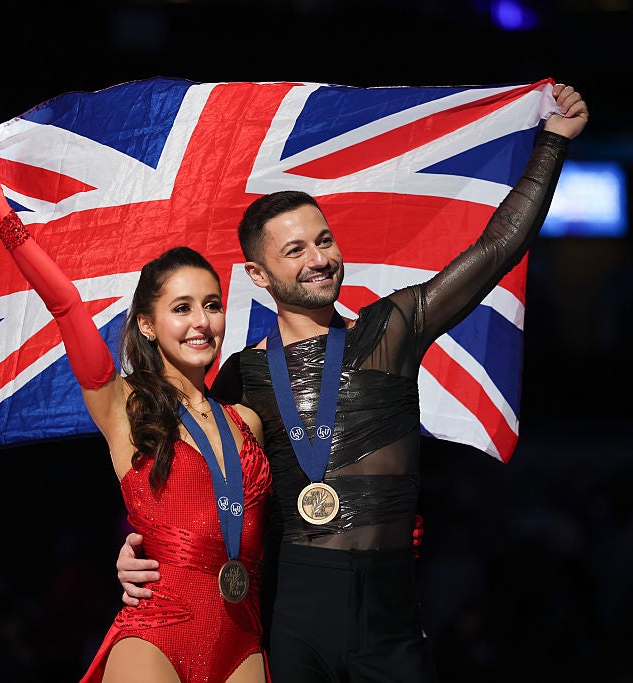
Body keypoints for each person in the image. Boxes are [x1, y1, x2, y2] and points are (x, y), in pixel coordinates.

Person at [117, 82, 589, 681]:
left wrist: (551, 143)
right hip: (293, 605)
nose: (319, 257)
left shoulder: (392, 328)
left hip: (391, 608)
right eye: (295, 250)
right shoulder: (241, 375)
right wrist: (136, 550)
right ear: (259, 275)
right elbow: (187, 480)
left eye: (324, 240)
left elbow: (498, 247)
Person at [0, 135, 272, 683]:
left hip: (242, 632)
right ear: (147, 324)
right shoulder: (123, 404)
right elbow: (65, 303)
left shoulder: (250, 422)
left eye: (212, 305)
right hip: (157, 633)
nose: (202, 321)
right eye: (182, 307)